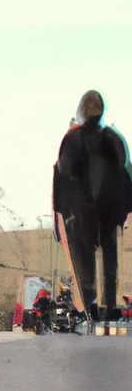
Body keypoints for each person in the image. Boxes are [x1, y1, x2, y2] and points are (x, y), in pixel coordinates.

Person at [53, 90, 132, 320]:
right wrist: (125, 208)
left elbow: (63, 174)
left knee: (85, 257)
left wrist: (61, 212)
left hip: (82, 212)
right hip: (109, 210)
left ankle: (92, 305)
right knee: (109, 255)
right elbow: (124, 169)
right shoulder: (113, 137)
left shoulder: (71, 140)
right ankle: (109, 304)